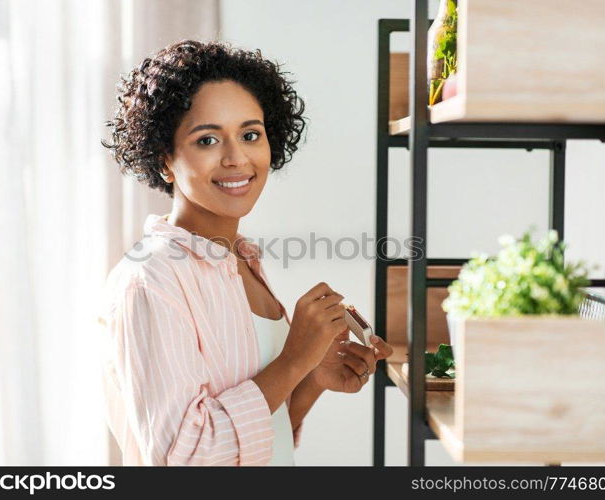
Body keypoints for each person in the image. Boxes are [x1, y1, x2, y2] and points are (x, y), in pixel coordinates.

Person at [99, 40, 393, 466]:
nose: (237, 158)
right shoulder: (152, 278)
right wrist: (292, 362)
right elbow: (188, 459)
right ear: (164, 158)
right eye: (207, 141)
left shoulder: (242, 262)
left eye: (250, 134)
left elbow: (258, 441)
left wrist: (311, 378)